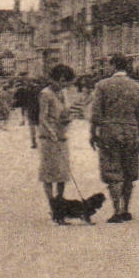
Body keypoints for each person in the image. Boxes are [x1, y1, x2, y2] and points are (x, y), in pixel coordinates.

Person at [87, 55, 139, 223]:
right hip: (131, 131)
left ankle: (117, 210)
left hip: (109, 131)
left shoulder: (102, 85)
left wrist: (93, 133)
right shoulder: (136, 86)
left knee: (113, 171)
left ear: (114, 66)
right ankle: (127, 209)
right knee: (129, 172)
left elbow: (96, 112)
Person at [38, 65, 77, 222]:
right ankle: (53, 206)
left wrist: (68, 118)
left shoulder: (64, 93)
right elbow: (42, 117)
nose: (63, 85)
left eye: (66, 82)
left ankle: (60, 203)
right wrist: (51, 131)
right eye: (61, 81)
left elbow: (66, 111)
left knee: (62, 172)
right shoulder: (45, 94)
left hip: (62, 135)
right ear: (53, 79)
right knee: (49, 173)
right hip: (49, 138)